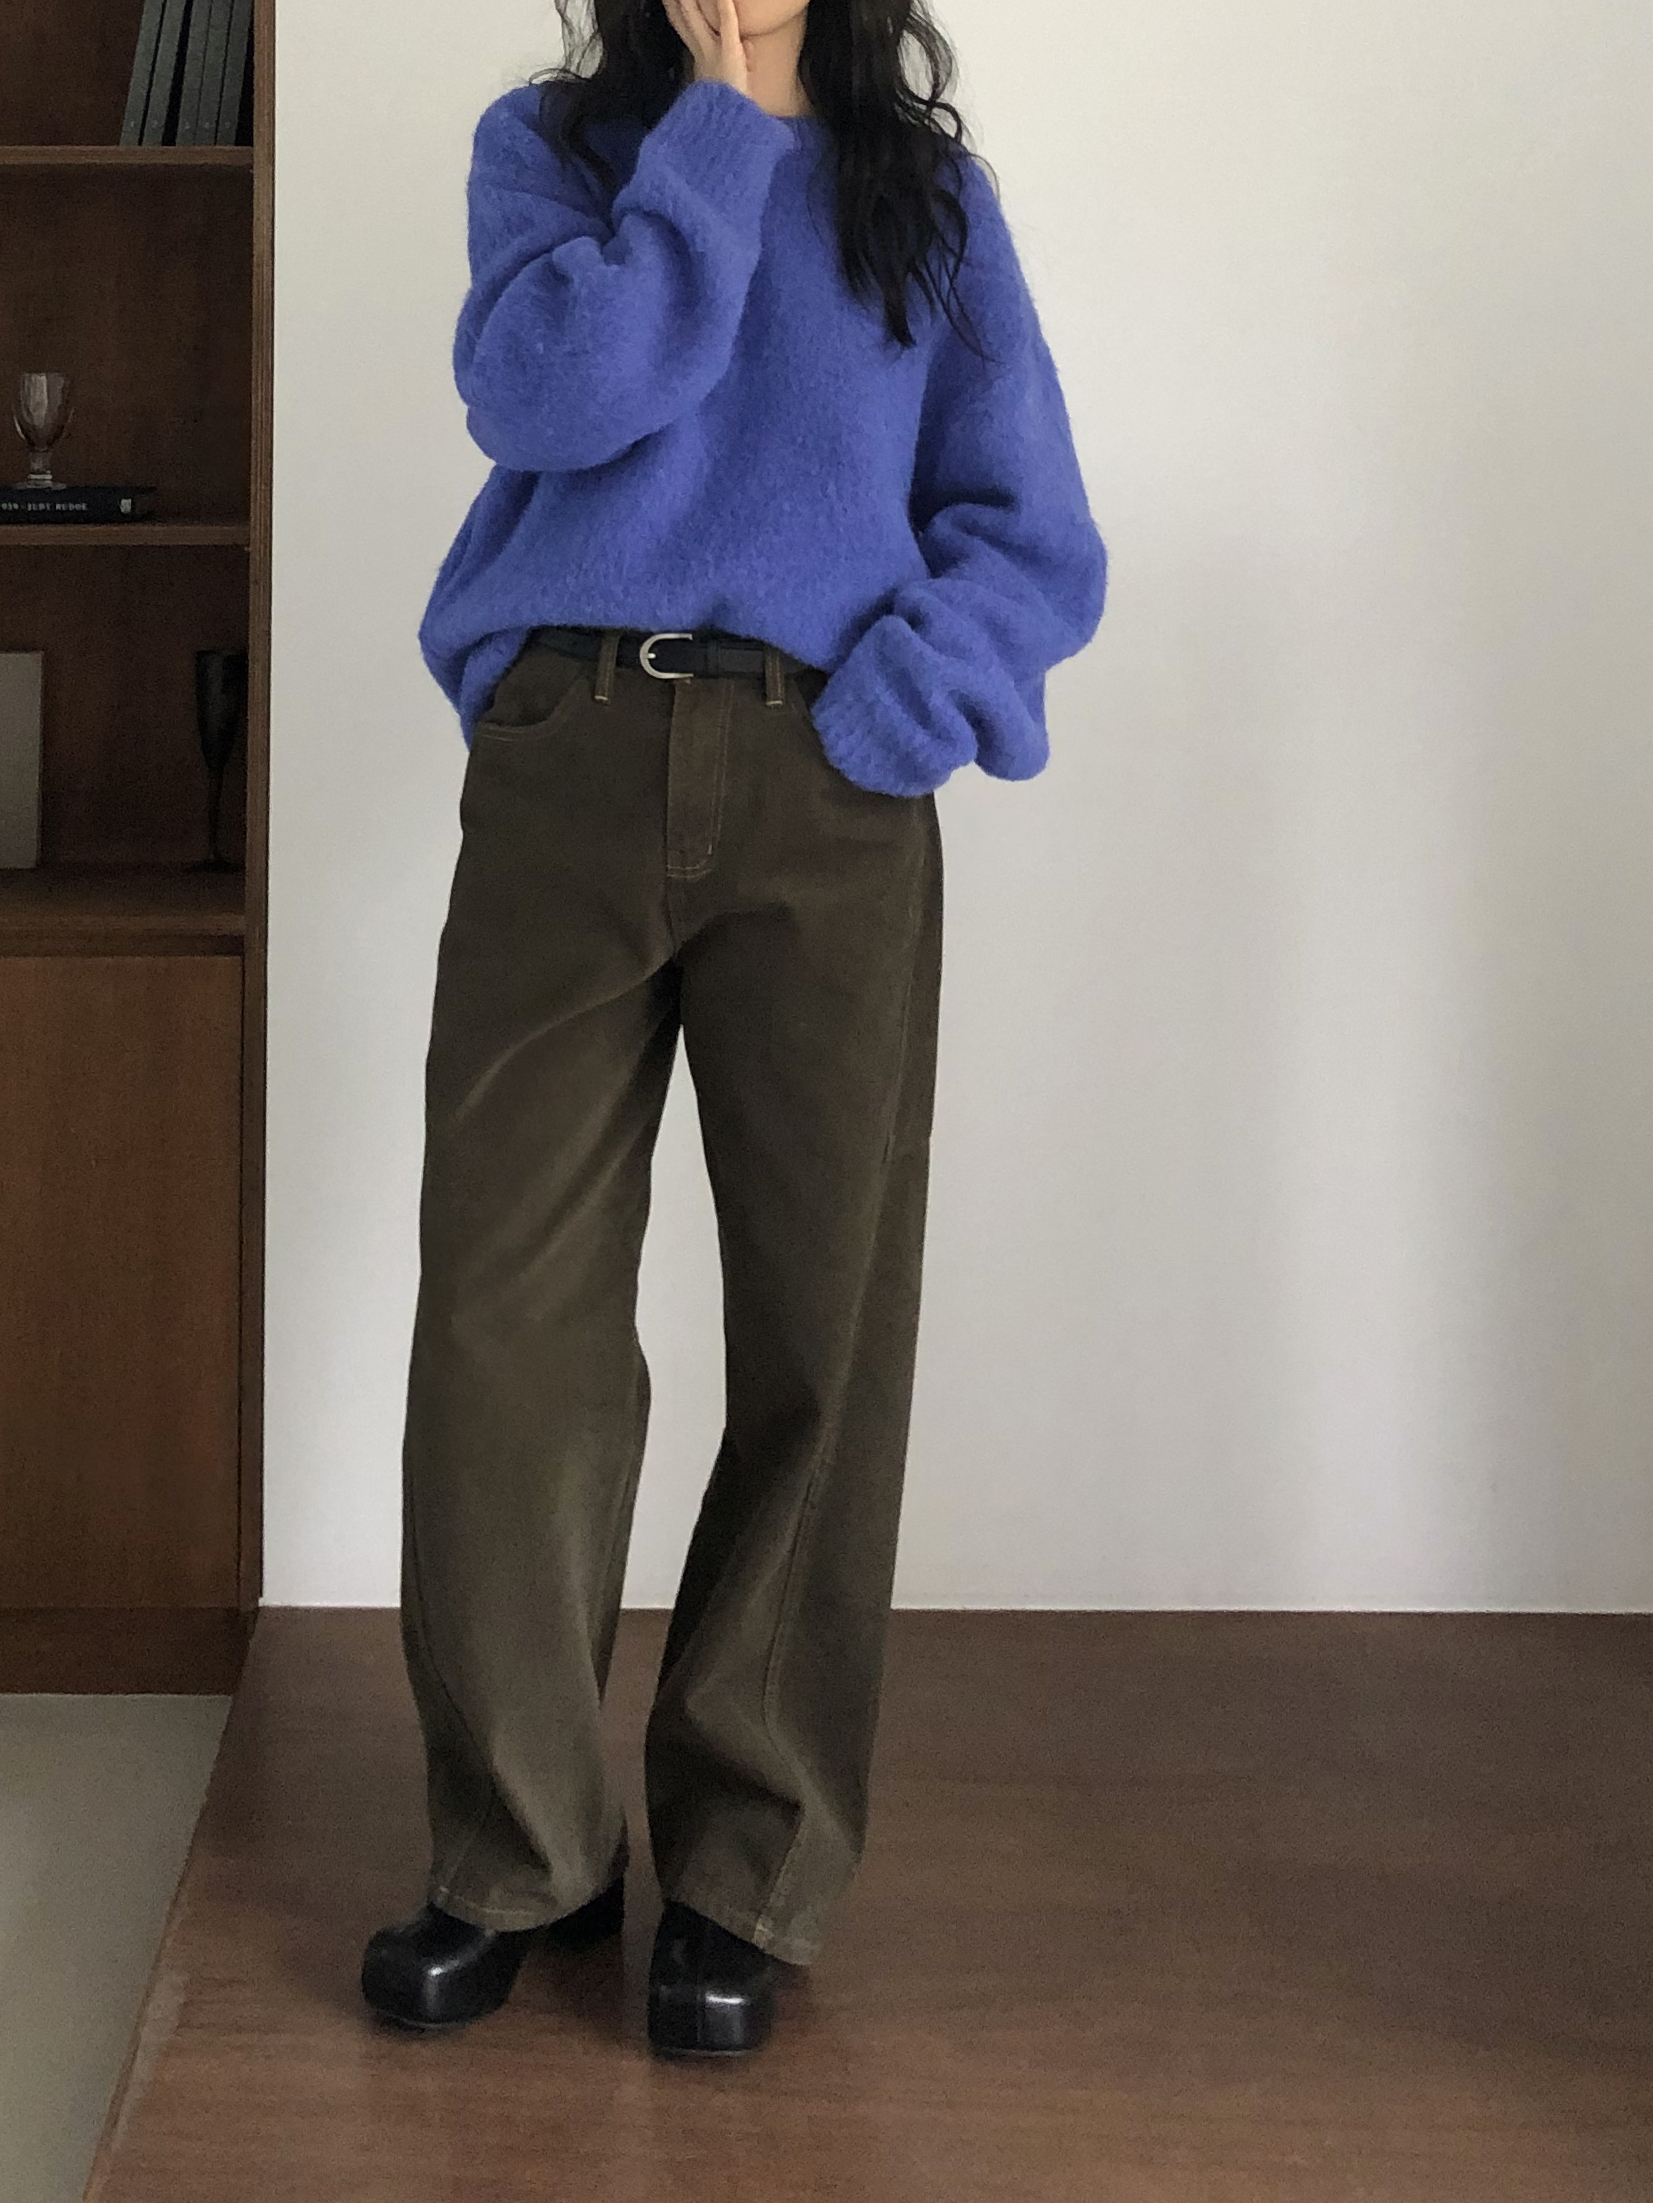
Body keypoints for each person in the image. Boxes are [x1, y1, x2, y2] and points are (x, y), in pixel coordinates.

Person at [360, 0, 1107, 2059]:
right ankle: (517, 1850)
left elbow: (1031, 532)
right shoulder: (557, 152)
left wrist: (899, 710)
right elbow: (547, 393)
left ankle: (747, 1867)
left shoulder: (922, 203)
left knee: (821, 1328)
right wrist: (712, 125)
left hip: (826, 783)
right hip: (570, 757)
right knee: (501, 1321)